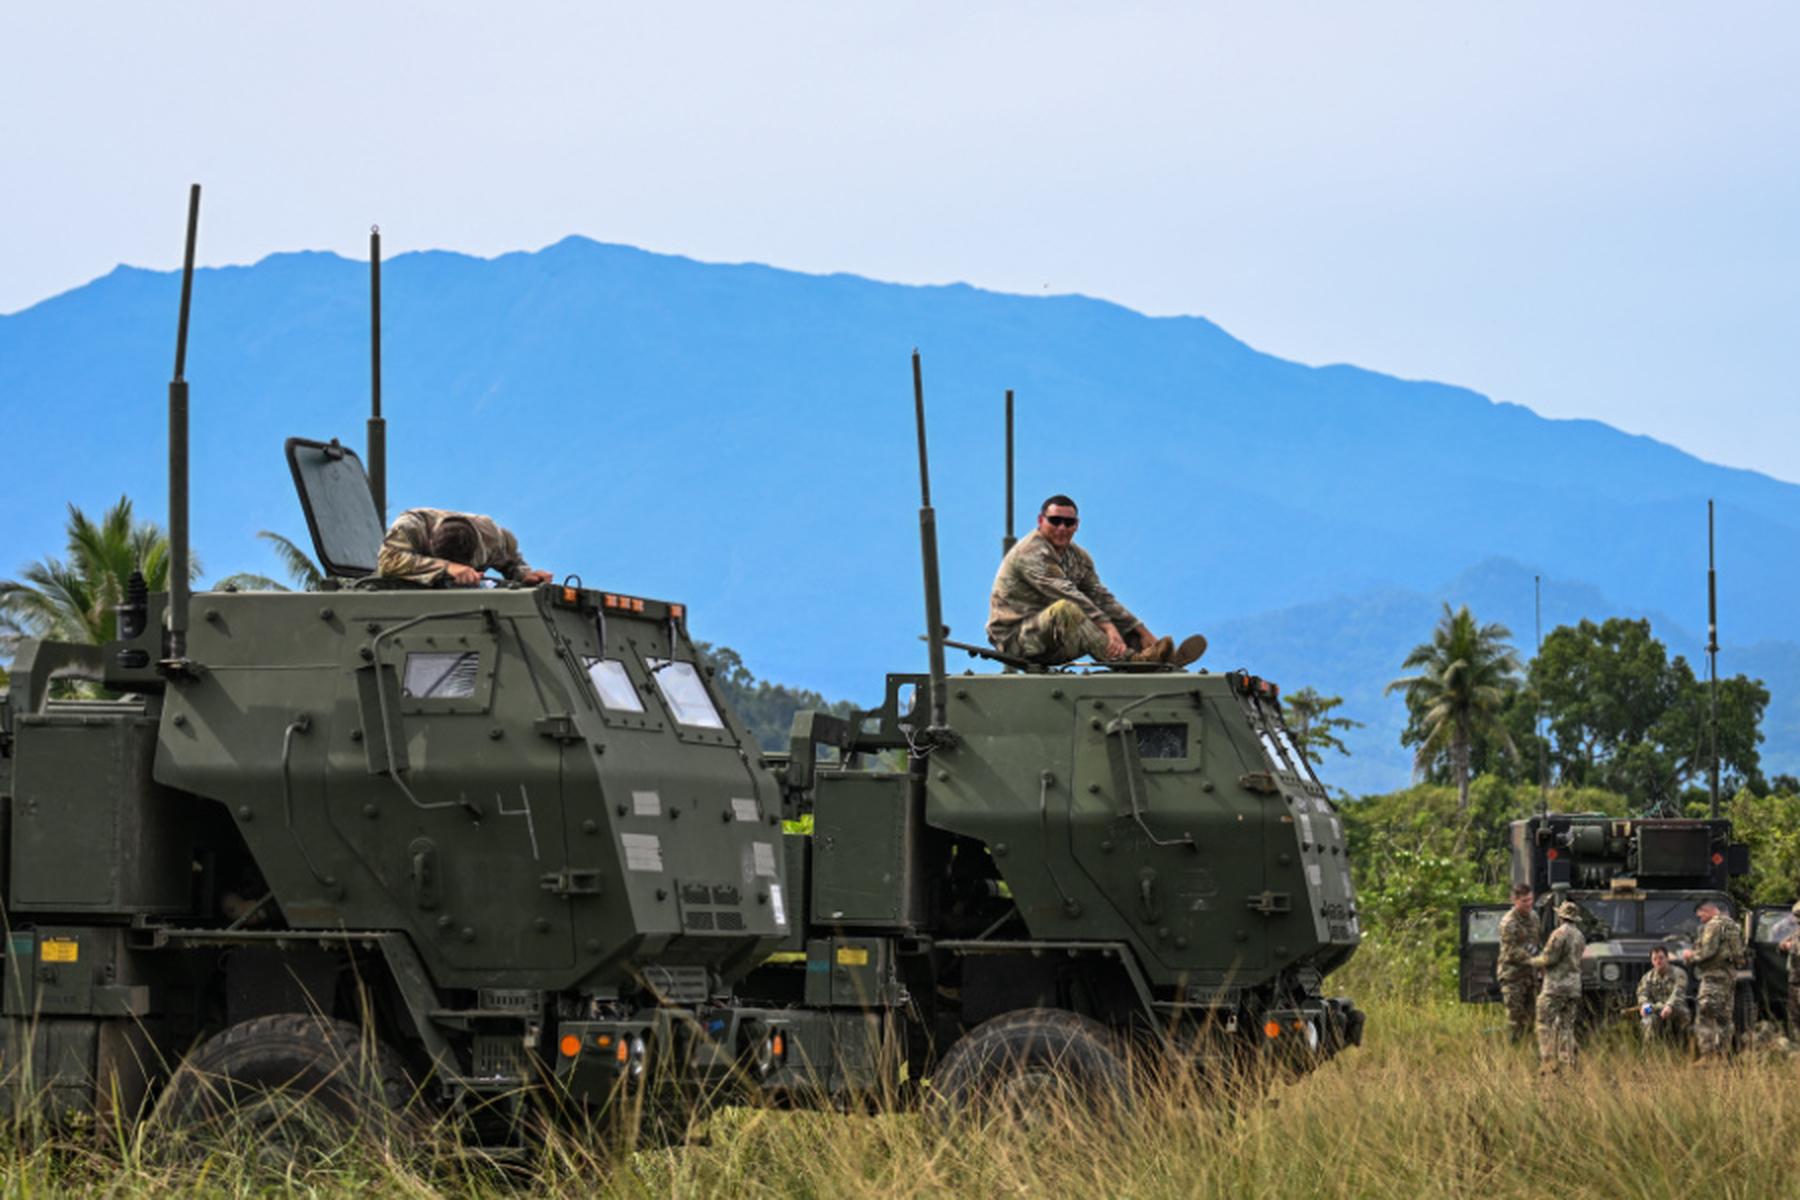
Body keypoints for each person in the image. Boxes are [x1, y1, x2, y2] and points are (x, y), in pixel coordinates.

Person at [987, 495, 1205, 667]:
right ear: (1040, 521)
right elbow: (1065, 593)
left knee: (1103, 614)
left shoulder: (1079, 558)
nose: (1062, 527)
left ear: (1077, 525)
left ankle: (1156, 657)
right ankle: (1131, 662)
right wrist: (1108, 627)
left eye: (1068, 522)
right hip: (1016, 640)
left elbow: (1101, 598)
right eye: (1055, 521)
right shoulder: (1031, 552)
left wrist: (1141, 631)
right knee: (1066, 609)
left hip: (1052, 639)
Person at [377, 507, 552, 587]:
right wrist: (447, 568)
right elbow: (388, 561)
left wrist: (526, 576)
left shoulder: (494, 538)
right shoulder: (412, 526)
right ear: (430, 543)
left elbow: (512, 563)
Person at [1682, 899, 1745, 1061]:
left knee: (1705, 1014)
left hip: (1714, 976)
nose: (1700, 918)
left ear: (1708, 910)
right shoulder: (1731, 925)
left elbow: (1708, 951)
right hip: (1729, 975)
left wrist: (1691, 956)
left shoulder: (1713, 925)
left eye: (1700, 915)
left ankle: (1708, 1056)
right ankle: (1722, 1055)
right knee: (1724, 1017)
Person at [1528, 900, 1587, 1074]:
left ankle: (1548, 1062)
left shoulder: (1559, 934)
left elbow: (1549, 959)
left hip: (1555, 987)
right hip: (1573, 988)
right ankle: (1567, 1063)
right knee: (1566, 1026)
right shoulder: (1580, 936)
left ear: (1560, 917)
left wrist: (1531, 961)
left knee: (1544, 1022)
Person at [1495, 883, 1539, 1045]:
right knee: (1515, 1019)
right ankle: (1514, 1051)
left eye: (1530, 900)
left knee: (1532, 1016)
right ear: (1515, 901)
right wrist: (1536, 960)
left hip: (1530, 975)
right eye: (1524, 901)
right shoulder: (1508, 923)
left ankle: (1529, 1048)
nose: (1529, 904)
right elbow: (1512, 952)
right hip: (1512, 976)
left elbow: (1534, 942)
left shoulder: (1534, 917)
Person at [1635, 945, 1690, 1048]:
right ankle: (1650, 1056)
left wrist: (1669, 1006)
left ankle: (1685, 1050)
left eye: (1661, 958)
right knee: (1648, 1021)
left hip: (1676, 1008)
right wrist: (1644, 1005)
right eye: (1654, 959)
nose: (1658, 961)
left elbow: (1679, 992)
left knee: (1685, 1018)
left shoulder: (1679, 973)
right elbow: (1642, 993)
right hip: (1655, 1008)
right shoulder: (1648, 977)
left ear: (1667, 958)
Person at [1776, 899, 1800, 1041]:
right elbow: (1781, 944)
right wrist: (1784, 945)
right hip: (1795, 980)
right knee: (1795, 1015)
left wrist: (1793, 947)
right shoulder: (1797, 932)